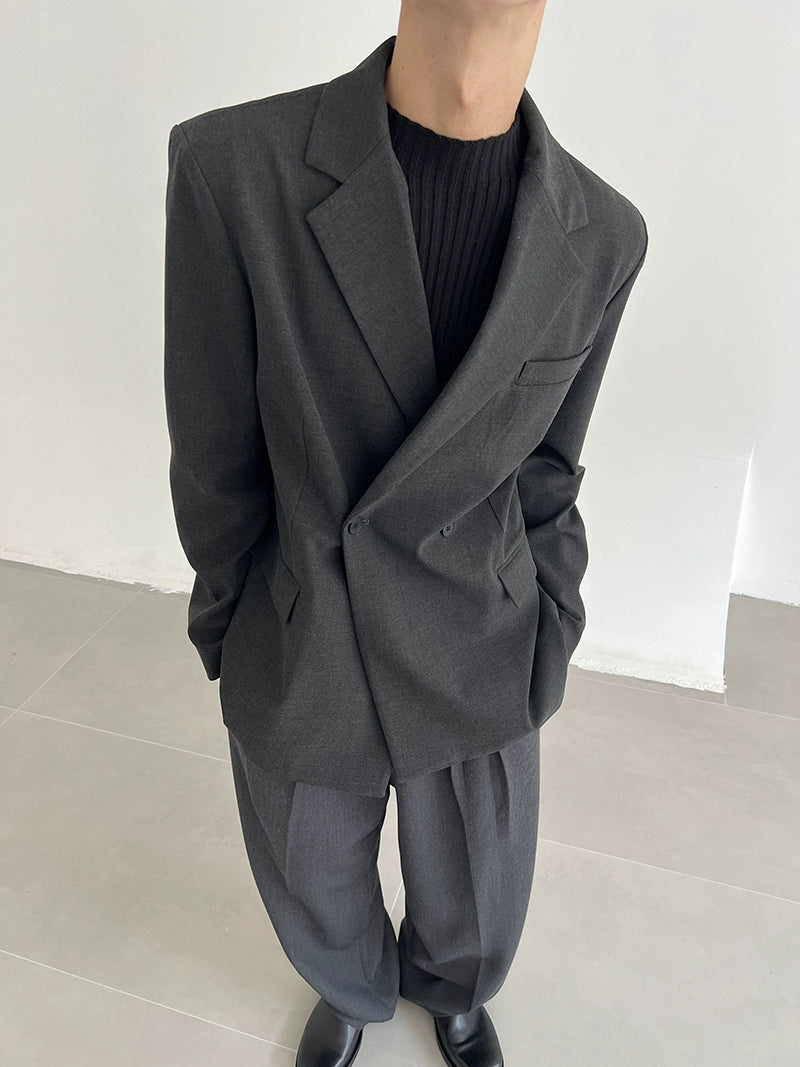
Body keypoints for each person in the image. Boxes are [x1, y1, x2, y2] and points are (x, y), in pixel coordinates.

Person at [163, 3, 648, 1065]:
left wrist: (550, 626)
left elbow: (549, 469)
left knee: (480, 891)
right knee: (310, 877)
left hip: (482, 631)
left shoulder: (602, 235)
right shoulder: (231, 168)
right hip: (306, 621)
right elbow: (213, 450)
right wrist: (235, 627)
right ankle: (351, 988)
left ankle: (453, 992)